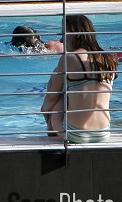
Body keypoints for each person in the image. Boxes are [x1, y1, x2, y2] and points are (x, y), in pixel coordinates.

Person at [41, 14, 117, 143]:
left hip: (75, 133)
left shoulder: (71, 58)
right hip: (103, 132)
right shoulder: (109, 59)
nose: (61, 41)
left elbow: (50, 100)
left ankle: (53, 143)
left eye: (64, 35)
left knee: (59, 95)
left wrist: (47, 117)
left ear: (73, 34)